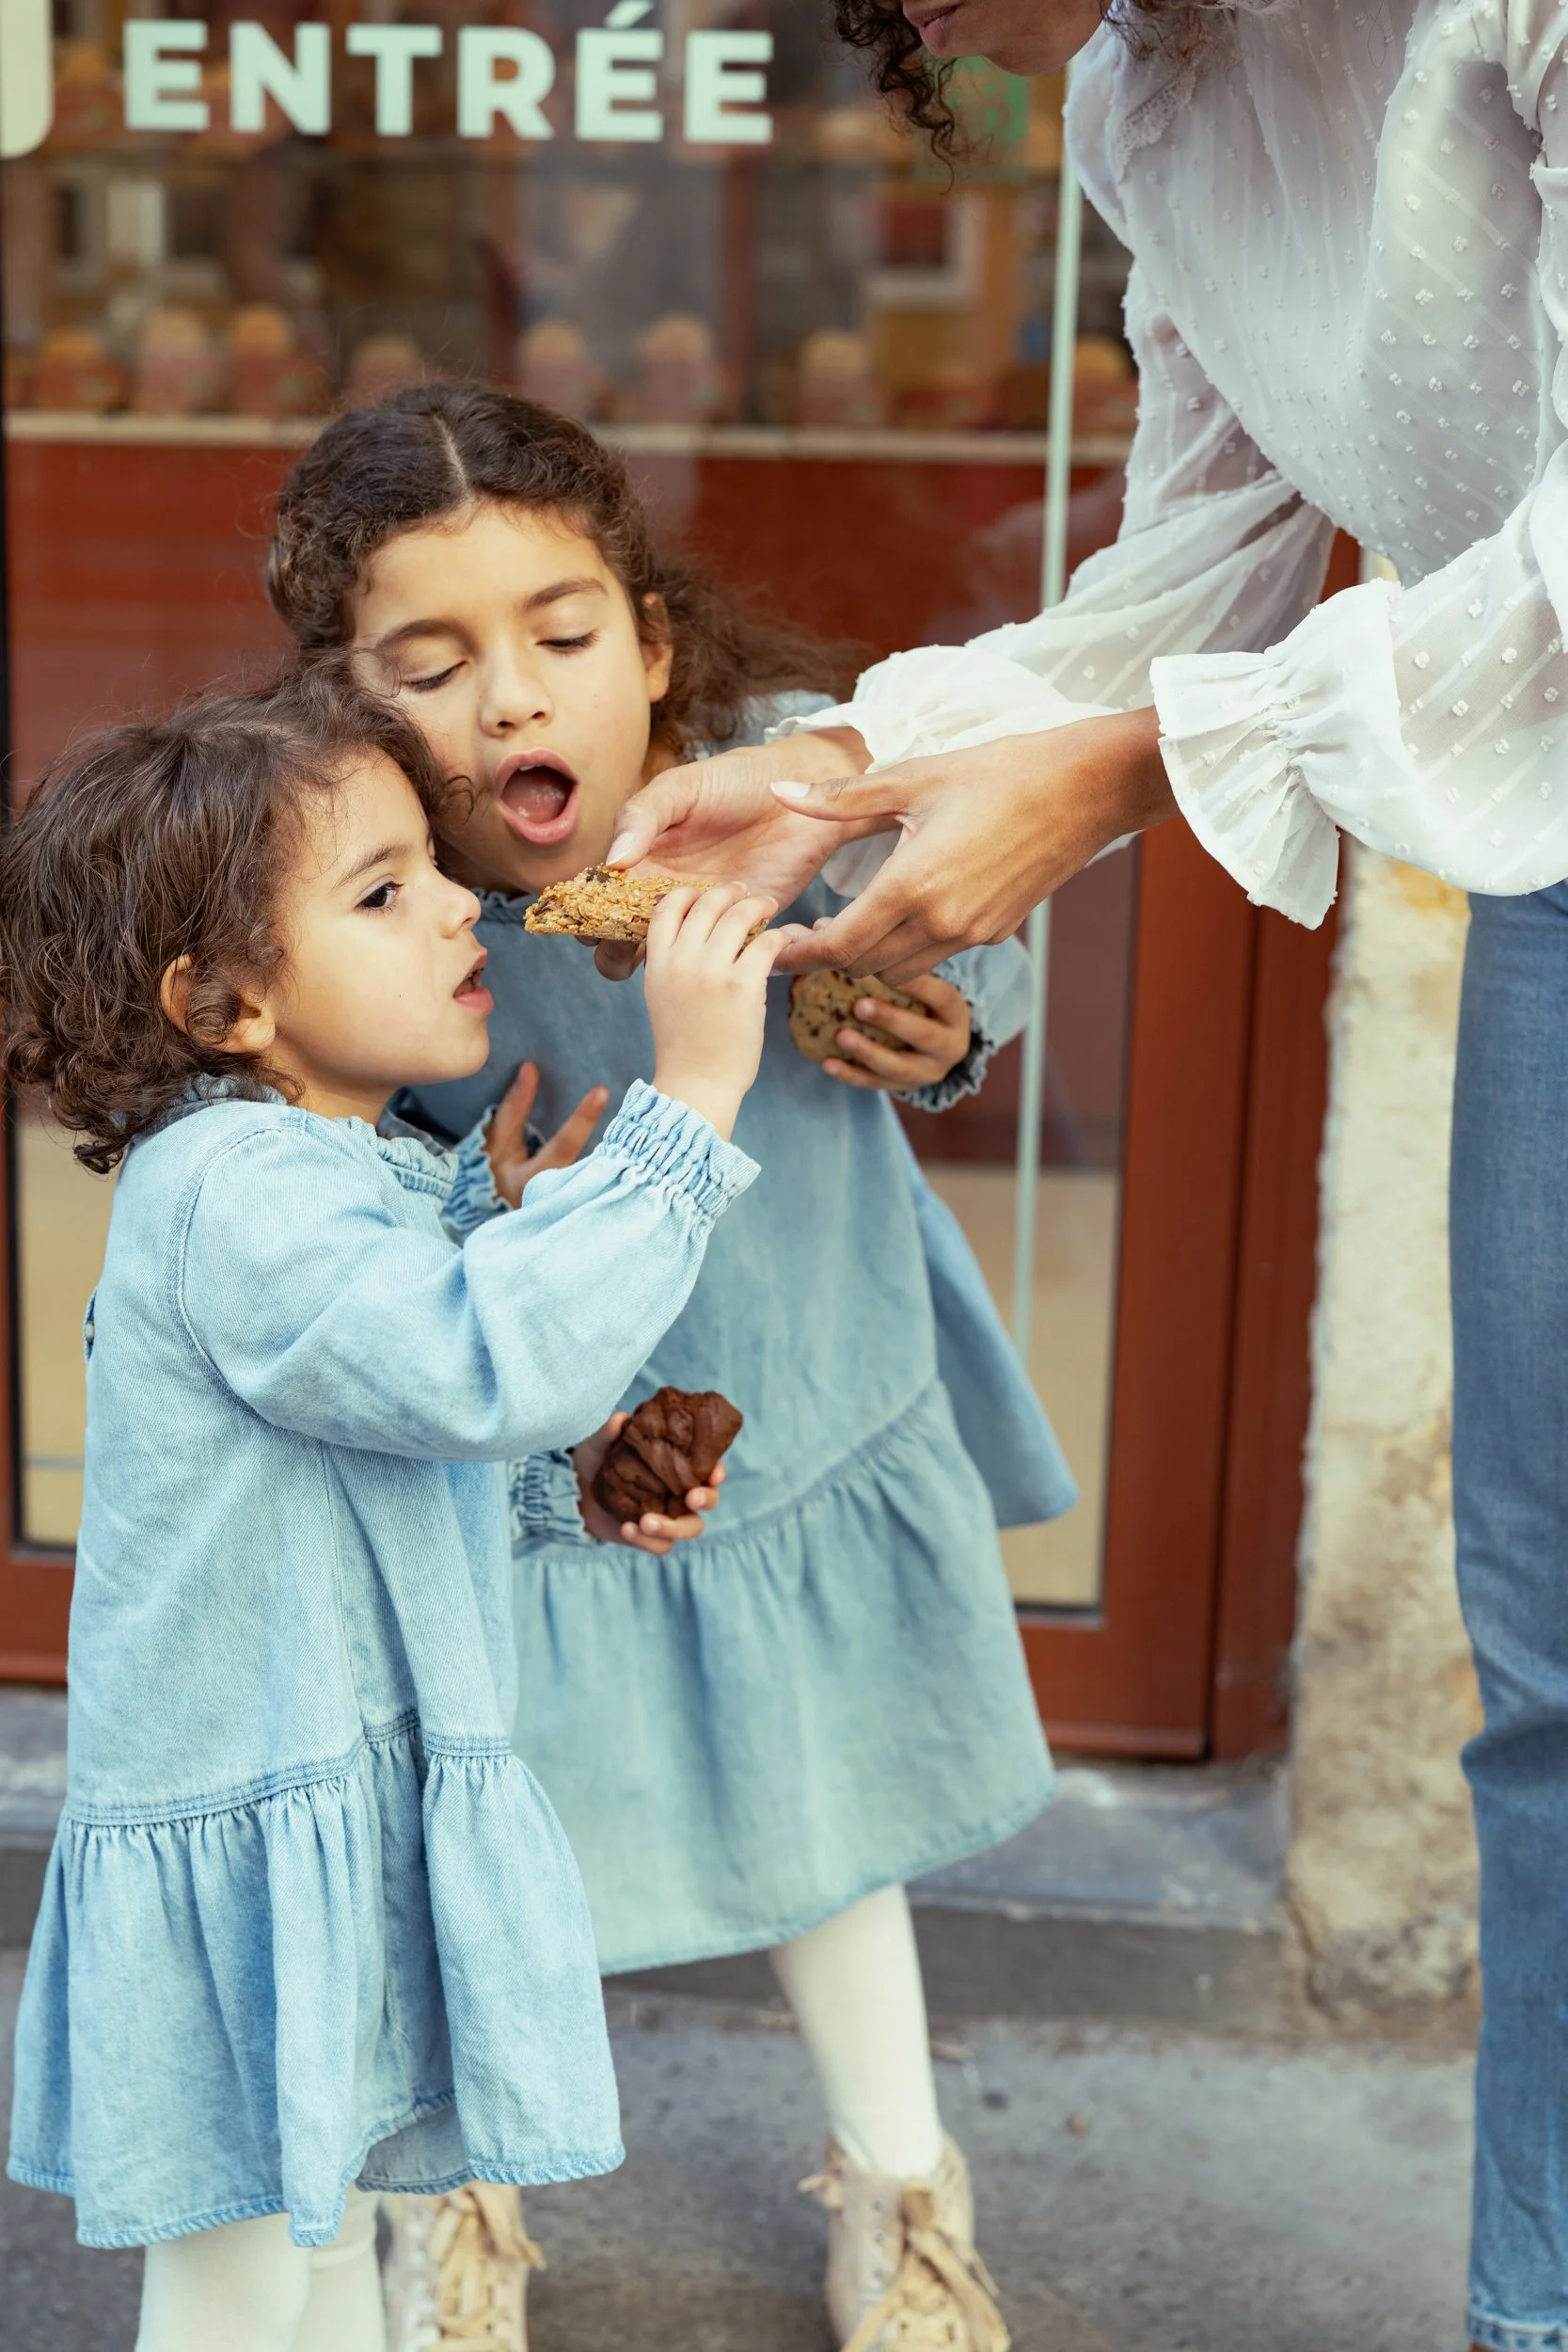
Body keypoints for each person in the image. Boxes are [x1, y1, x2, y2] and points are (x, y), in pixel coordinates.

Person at [609, 4, 1568, 2344]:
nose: (936, 38)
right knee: (1545, 1666)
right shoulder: (1153, 95)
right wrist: (849, 760)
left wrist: (1132, 765)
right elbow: (1209, 559)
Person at [266, 380, 1076, 2352]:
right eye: (431, 663)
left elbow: (969, 922)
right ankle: (454, 2203)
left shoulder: (767, 800)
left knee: (820, 1809)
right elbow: (320, 1128)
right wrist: (469, 1196)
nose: (513, 703)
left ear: (649, 640)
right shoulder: (355, 882)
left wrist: (938, 1020)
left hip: (787, 1377)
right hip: (516, 1447)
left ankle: (900, 2188)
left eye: (559, 638)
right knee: (477, 1806)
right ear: (349, 701)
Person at [0, 664, 780, 2352]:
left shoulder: (335, 1170)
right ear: (217, 1006)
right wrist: (694, 1098)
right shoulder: (237, 1193)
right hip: (253, 1808)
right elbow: (471, 1369)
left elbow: (391, 1458)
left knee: (322, 2233)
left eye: (433, 866)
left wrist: (565, 1474)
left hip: (320, 1799)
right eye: (381, 891)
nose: (453, 908)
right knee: (234, 2287)